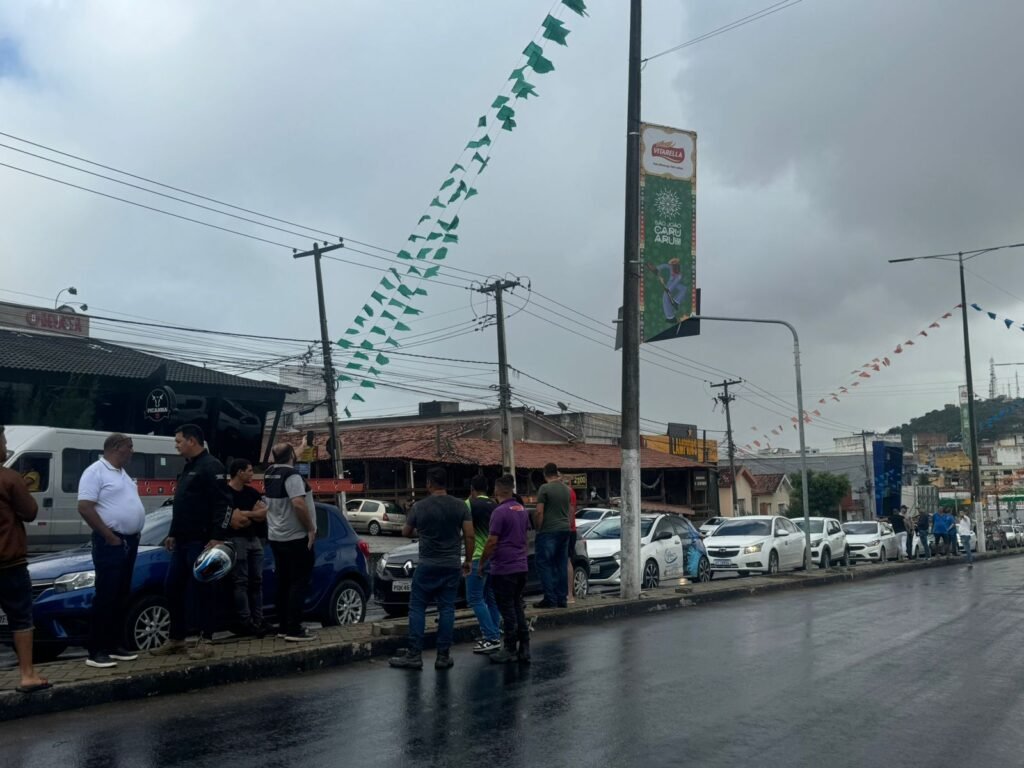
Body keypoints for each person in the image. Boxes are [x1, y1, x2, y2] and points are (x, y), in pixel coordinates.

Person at [152, 424, 242, 661]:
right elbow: (181, 505)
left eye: (179, 441)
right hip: (182, 541)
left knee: (203, 589)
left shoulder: (212, 466)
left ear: (192, 441)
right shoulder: (189, 467)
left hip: (202, 541)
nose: (176, 445)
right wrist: (172, 532)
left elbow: (225, 504)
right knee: (172, 588)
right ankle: (177, 639)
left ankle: (206, 640)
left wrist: (217, 537)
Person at [389, 466, 473, 671]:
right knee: (447, 609)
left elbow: (406, 532)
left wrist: (422, 529)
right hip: (451, 565)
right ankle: (443, 656)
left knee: (417, 608)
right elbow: (469, 535)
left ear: (429, 484)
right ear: (445, 483)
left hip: (427, 564)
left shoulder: (419, 507)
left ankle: (414, 654)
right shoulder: (460, 506)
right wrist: (468, 560)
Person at [77, 433, 147, 668]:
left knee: (121, 594)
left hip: (129, 541)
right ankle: (96, 650)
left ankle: (115, 644)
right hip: (111, 542)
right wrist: (109, 535)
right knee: (106, 594)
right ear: (117, 447)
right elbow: (85, 507)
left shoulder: (122, 474)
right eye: (130, 447)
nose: (132, 451)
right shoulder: (96, 471)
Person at [0, 425, 49, 693]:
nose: (6, 446)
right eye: (3, 441)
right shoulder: (9, 478)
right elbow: (30, 511)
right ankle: (27, 675)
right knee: (21, 618)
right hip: (9, 563)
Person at [264, 444, 318, 642]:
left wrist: (302, 444)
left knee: (283, 582)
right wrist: (311, 528)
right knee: (299, 582)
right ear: (292, 456)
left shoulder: (270, 473)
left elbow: (284, 453)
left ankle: (284, 626)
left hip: (276, 536)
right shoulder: (292, 476)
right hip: (296, 536)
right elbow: (298, 503)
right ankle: (295, 629)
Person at [480, 474, 531, 664]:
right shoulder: (522, 510)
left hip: (504, 567)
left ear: (497, 490)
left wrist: (482, 563)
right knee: (517, 606)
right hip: (521, 565)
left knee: (507, 609)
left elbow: (492, 541)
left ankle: (510, 648)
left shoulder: (499, 512)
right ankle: (524, 647)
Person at [227, 458, 268, 636]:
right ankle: (245, 621)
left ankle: (258, 620)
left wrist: (247, 513)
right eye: (249, 471)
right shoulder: (226, 493)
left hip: (254, 539)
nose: (252, 474)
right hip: (237, 541)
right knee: (241, 581)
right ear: (239, 472)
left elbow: (264, 513)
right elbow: (236, 521)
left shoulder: (251, 492)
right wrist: (251, 515)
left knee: (257, 581)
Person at [465, 475, 500, 654]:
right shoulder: (495, 506)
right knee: (490, 597)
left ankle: (491, 636)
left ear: (472, 489)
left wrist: (468, 560)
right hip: (493, 557)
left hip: (478, 557)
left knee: (474, 598)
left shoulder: (469, 504)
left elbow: (466, 532)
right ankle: (495, 630)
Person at [533, 463, 572, 609]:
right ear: (556, 473)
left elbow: (539, 512)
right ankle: (562, 598)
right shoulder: (566, 490)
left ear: (545, 474)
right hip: (565, 529)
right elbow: (569, 511)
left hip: (549, 530)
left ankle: (550, 598)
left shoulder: (544, 488)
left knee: (544, 564)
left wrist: (538, 528)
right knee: (561, 564)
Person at [565, 478, 578, 604]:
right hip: (569, 529)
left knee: (567, 560)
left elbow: (571, 510)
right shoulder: (570, 492)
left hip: (568, 530)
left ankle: (569, 594)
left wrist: (567, 527)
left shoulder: (569, 492)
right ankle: (569, 593)